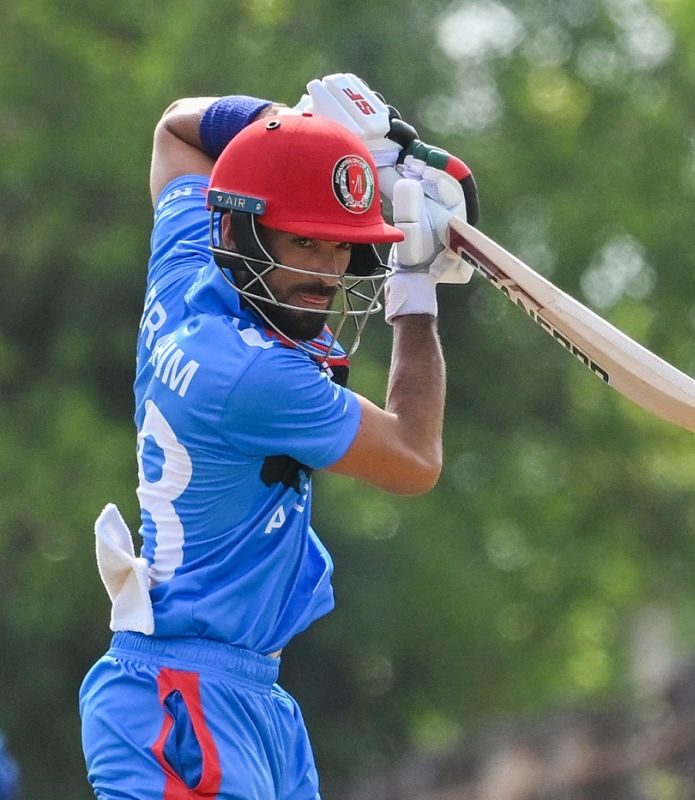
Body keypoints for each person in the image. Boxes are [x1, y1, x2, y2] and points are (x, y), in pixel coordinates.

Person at [79, 75, 476, 798]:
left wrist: (310, 131)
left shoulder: (190, 268)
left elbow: (176, 128)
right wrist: (415, 295)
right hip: (183, 700)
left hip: (241, 692)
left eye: (340, 247)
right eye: (304, 243)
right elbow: (416, 460)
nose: (326, 273)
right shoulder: (255, 378)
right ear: (237, 228)